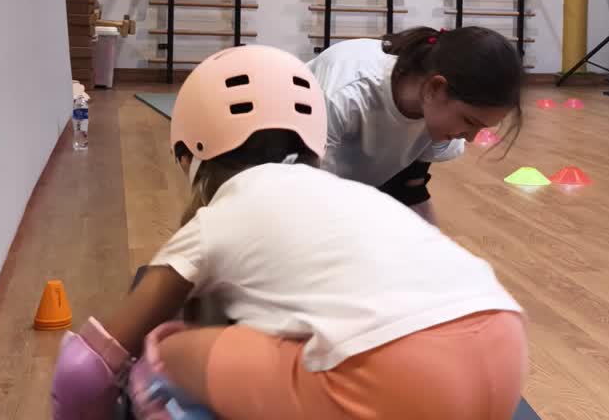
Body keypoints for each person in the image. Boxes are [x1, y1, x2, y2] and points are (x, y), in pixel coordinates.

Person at [50, 45, 527, 420]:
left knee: (165, 350)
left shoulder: (218, 218)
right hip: (503, 350)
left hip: (399, 381)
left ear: (188, 152)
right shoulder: (354, 195)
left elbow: (81, 372)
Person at [307, 26, 524, 224]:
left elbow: (409, 189)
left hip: (343, 191)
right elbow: (307, 198)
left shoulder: (436, 117)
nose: (470, 138)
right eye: (469, 121)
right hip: (293, 180)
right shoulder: (345, 93)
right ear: (435, 88)